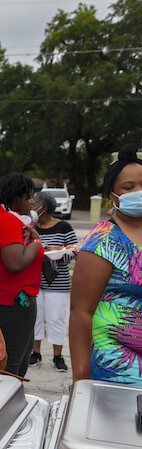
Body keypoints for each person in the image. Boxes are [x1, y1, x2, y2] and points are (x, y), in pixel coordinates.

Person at [69, 143, 142, 386]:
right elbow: (81, 312)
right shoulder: (104, 241)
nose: (139, 191)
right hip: (118, 368)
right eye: (129, 187)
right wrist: (81, 379)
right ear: (113, 196)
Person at [0, 173, 44, 377]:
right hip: (9, 301)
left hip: (2, 297)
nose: (32, 201)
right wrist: (38, 244)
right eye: (28, 196)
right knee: (11, 363)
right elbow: (15, 263)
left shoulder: (0, 217)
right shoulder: (7, 222)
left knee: (15, 358)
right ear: (16, 198)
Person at [30, 191, 77, 372]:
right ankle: (36, 353)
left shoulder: (63, 226)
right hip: (36, 280)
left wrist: (59, 252)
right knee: (36, 318)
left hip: (58, 283)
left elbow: (73, 250)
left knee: (56, 319)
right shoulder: (31, 226)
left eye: (35, 204)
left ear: (44, 207)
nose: (32, 207)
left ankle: (58, 356)